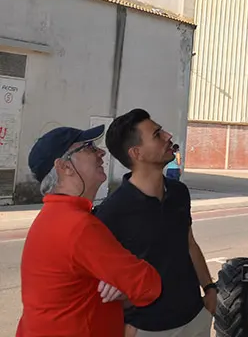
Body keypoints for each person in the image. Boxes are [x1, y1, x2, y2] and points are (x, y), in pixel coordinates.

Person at [17, 125, 162, 337]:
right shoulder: (79, 226)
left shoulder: (54, 216)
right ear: (65, 167)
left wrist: (119, 282)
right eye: (88, 147)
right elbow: (148, 286)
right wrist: (124, 284)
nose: (101, 152)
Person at [95, 110, 217, 337]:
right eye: (157, 134)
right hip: (147, 329)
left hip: (195, 319)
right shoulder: (112, 212)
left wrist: (209, 289)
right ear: (137, 153)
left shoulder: (179, 192)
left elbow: (189, 243)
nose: (168, 136)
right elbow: (102, 283)